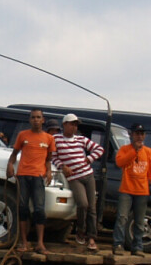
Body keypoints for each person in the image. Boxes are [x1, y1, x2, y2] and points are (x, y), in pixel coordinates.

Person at [52, 114, 104, 251]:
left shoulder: (81, 139)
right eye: (71, 124)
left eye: (76, 125)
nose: (74, 127)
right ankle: (81, 230)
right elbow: (53, 157)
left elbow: (99, 149)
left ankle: (91, 237)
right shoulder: (56, 139)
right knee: (83, 204)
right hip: (74, 177)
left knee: (92, 207)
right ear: (64, 125)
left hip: (87, 174)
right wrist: (63, 167)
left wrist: (89, 159)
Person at [7, 109, 55, 254]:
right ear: (29, 120)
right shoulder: (23, 135)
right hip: (22, 175)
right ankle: (23, 241)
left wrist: (49, 171)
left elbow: (49, 158)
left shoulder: (48, 138)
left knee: (39, 209)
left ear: (43, 120)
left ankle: (40, 243)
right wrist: (10, 165)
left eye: (38, 117)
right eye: (33, 117)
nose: (35, 120)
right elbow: (14, 154)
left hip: (38, 176)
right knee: (22, 208)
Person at [113, 123, 151, 256]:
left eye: (142, 134)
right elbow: (120, 162)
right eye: (137, 133)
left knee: (140, 221)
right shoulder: (124, 149)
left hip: (142, 191)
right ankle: (118, 245)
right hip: (126, 190)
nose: (139, 136)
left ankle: (137, 247)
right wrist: (135, 151)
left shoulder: (149, 152)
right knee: (122, 218)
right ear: (132, 135)